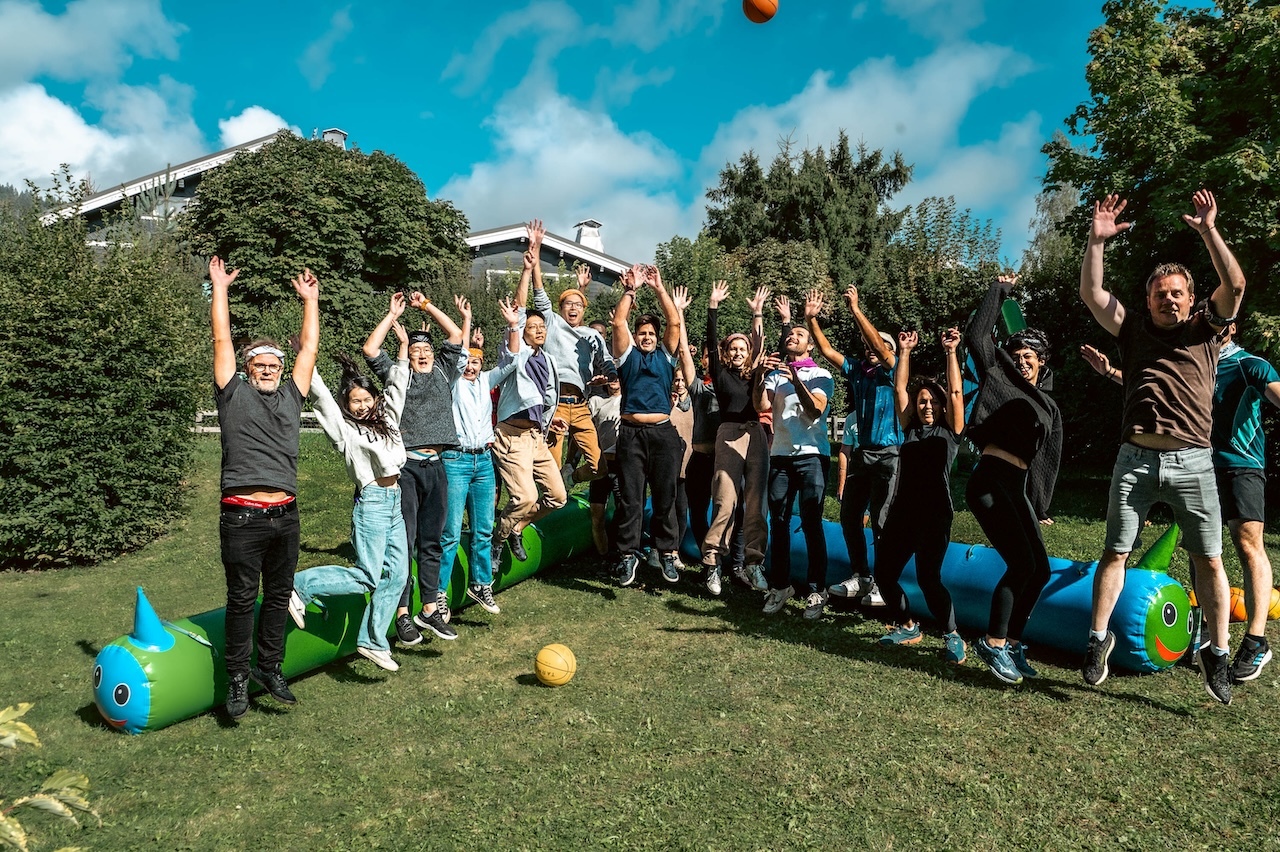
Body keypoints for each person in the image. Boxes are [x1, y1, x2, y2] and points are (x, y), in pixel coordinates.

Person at [1079, 190, 1245, 704]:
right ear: (1148, 298)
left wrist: (1208, 231)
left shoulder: (1206, 331)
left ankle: (1216, 652)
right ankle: (1097, 639)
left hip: (1193, 462)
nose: (1168, 299)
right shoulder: (1132, 330)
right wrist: (1096, 241)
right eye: (1159, 293)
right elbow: (1092, 293)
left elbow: (1235, 284)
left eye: (1177, 293)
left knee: (1210, 561)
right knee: (1115, 552)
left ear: (1191, 299)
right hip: (1134, 460)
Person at [1082, 316, 1278, 682]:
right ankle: (1204, 628)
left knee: (1248, 544)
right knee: (1201, 551)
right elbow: (1151, 386)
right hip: (1193, 463)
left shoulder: (1249, 364)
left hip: (1240, 464)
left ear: (1232, 329)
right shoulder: (1190, 357)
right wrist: (1110, 372)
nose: (1213, 330)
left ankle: (1255, 641)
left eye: (1222, 326)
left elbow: (1275, 391)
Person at [209, 256, 318, 720]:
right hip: (242, 517)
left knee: (278, 596)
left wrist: (311, 301)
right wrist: (221, 289)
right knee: (240, 600)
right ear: (250, 371)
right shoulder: (233, 393)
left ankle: (270, 667)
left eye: (277, 363)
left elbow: (309, 349)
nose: (271, 368)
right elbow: (222, 339)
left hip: (285, 515)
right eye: (263, 364)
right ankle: (237, 678)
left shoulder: (293, 394)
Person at [288, 294, 411, 673]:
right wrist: (305, 356)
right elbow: (321, 396)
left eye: (365, 398)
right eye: (353, 401)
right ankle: (300, 586)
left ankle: (372, 640)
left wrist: (397, 330)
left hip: (395, 501)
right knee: (367, 576)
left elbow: (399, 383)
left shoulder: (388, 417)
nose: (360, 405)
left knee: (399, 575)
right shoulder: (346, 430)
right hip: (372, 503)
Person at [964, 275, 1062, 684]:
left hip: (1016, 485)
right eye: (1017, 353)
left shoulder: (1048, 406)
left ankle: (1015, 643)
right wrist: (998, 291)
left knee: (1038, 569)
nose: (1022, 359)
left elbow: (1046, 461)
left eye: (1030, 356)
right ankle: (993, 642)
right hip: (989, 480)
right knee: (1022, 563)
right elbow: (976, 336)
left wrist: (1039, 507)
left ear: (1042, 363)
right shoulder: (998, 375)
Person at [365, 292, 465, 646]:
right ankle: (403, 614)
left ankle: (429, 608)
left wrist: (427, 306)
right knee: (405, 543)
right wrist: (391, 315)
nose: (422, 354)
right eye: (416, 350)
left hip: (437, 466)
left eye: (427, 350)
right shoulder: (399, 374)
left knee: (432, 541)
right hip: (405, 467)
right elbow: (371, 349)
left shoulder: (443, 370)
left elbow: (455, 335)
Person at [872, 326, 968, 662]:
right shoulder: (909, 428)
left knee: (929, 578)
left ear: (942, 406)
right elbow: (899, 386)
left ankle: (953, 635)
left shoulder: (950, 433)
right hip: (903, 513)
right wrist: (905, 351)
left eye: (933, 401)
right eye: (922, 401)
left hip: (934, 513)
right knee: (884, 574)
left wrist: (951, 351)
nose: (927, 405)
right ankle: (907, 625)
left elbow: (957, 394)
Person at [804, 286, 901, 606]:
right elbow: (827, 350)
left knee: (883, 521)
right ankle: (862, 575)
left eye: (879, 344)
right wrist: (811, 320)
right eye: (869, 344)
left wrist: (856, 310)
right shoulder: (859, 370)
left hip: (889, 455)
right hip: (862, 455)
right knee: (849, 516)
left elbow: (878, 343)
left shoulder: (893, 370)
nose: (871, 347)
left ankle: (886, 583)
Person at [436, 295, 521, 617]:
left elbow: (512, 361)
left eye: (476, 360)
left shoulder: (486, 380)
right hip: (456, 462)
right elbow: (457, 357)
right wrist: (466, 320)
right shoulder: (454, 383)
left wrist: (514, 325)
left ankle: (481, 583)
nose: (471, 365)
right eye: (467, 361)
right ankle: (438, 594)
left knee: (483, 529)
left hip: (484, 462)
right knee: (450, 532)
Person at [611, 264, 696, 587]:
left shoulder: (665, 355)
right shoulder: (626, 356)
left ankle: (667, 553)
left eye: (651, 334)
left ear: (657, 338)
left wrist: (660, 288)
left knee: (665, 496)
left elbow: (674, 321)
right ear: (635, 336)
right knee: (632, 498)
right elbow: (619, 321)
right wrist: (631, 290)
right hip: (631, 435)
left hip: (662, 434)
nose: (646, 337)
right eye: (641, 333)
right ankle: (627, 556)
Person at [515, 221, 615, 487]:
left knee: (599, 467)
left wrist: (607, 379)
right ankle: (546, 508)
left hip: (581, 406)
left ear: (584, 310)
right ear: (560, 309)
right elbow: (540, 295)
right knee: (550, 467)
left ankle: (572, 476)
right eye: (568, 305)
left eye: (578, 305)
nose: (573, 308)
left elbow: (604, 360)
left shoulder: (590, 335)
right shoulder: (552, 323)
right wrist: (535, 255)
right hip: (556, 403)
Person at [755, 307, 836, 618]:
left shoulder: (821, 375)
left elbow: (815, 410)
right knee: (779, 522)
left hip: (812, 457)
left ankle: (817, 590)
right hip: (780, 456)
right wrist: (761, 378)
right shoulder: (776, 374)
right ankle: (781, 586)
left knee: (812, 522)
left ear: (810, 345)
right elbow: (760, 405)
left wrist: (796, 380)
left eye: (799, 335)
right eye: (791, 334)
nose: (793, 336)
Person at [699, 281, 771, 596]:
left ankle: (754, 564)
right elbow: (711, 338)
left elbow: (760, 343)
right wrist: (713, 306)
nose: (739, 352)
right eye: (734, 349)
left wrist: (757, 313)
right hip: (728, 434)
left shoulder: (756, 373)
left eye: (743, 349)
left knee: (756, 504)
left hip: (755, 435)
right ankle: (712, 563)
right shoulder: (721, 373)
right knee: (725, 501)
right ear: (727, 354)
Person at [492, 302, 569, 567]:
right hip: (512, 437)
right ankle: (497, 540)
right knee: (525, 497)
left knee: (558, 498)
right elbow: (512, 338)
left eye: (541, 326)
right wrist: (527, 270)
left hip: (536, 437)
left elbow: (544, 397)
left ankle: (517, 527)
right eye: (531, 327)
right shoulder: (517, 355)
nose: (538, 330)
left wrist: (549, 420)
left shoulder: (546, 359)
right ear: (522, 332)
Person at [588, 376, 623, 558]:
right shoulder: (596, 401)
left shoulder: (628, 399)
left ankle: (621, 553)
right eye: (609, 376)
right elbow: (582, 430)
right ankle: (603, 556)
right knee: (597, 513)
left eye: (616, 375)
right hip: (600, 464)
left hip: (622, 465)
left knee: (623, 511)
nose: (613, 380)